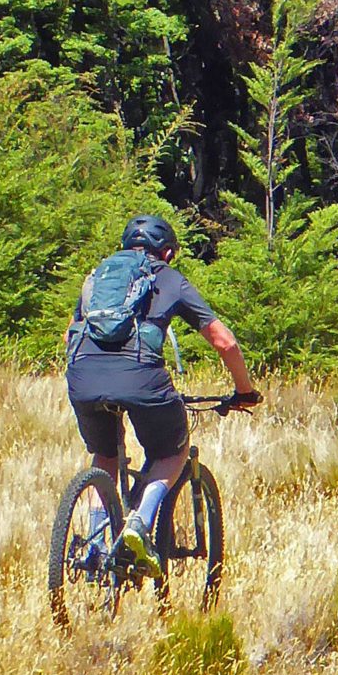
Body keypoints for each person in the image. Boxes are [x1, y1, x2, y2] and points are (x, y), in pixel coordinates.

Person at [64, 215, 260, 569]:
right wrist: (244, 390)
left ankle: (95, 543)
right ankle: (139, 523)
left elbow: (69, 336)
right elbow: (223, 341)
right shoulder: (169, 279)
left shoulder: (97, 276)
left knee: (105, 455)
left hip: (82, 378)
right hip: (141, 379)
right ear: (167, 252)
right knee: (174, 449)